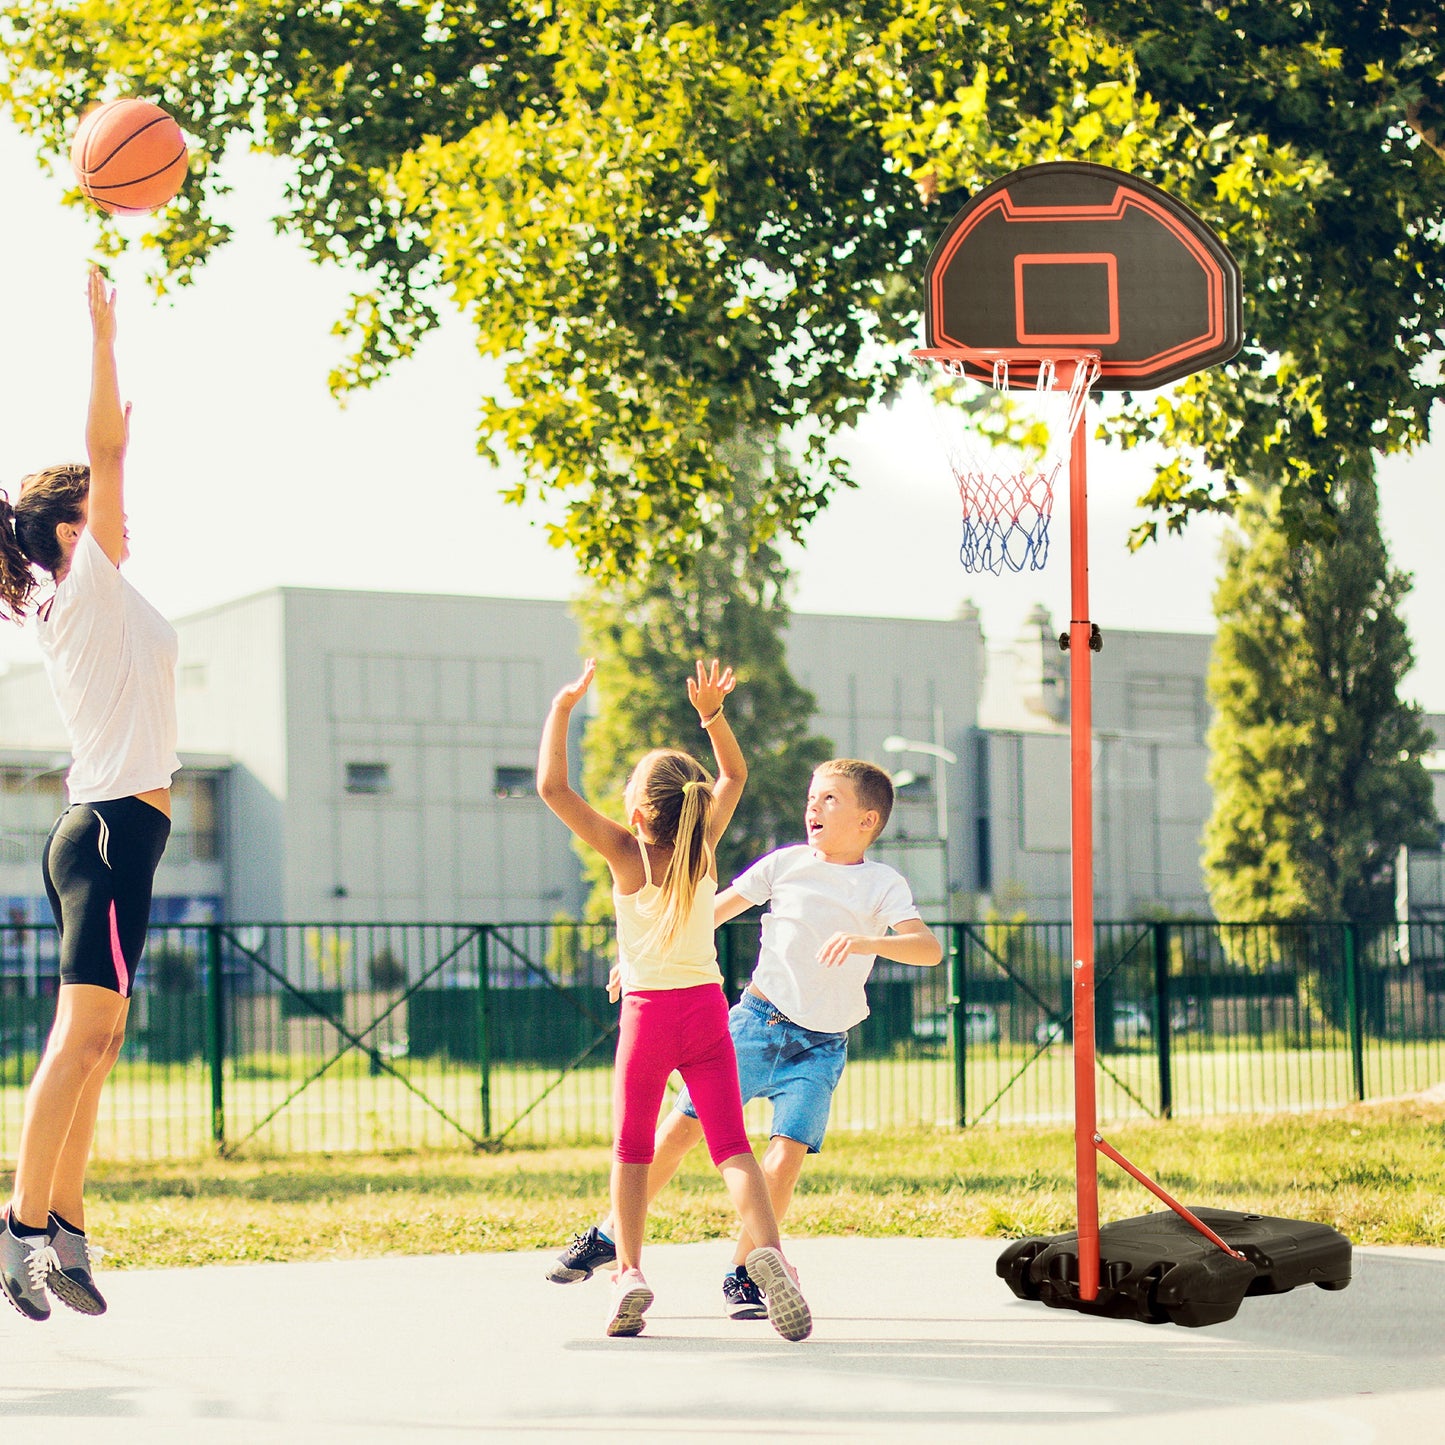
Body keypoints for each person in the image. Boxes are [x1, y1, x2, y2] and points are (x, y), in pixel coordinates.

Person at [547, 758, 941, 1319]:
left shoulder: (882, 884)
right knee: (682, 1133)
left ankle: (746, 1270)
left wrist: (868, 942)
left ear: (868, 820)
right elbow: (705, 911)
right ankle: (611, 1232)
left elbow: (928, 949)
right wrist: (639, 956)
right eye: (811, 797)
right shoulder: (785, 865)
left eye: (830, 799)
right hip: (757, 1022)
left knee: (785, 1155)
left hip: (822, 1044)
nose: (813, 807)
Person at [0, 269, 179, 1322]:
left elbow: (103, 464)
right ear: (72, 527)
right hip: (108, 832)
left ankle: (62, 1221)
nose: (121, 512)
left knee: (101, 1038)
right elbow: (103, 451)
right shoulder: (91, 579)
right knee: (79, 1037)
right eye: (103, 507)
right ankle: (20, 1225)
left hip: (123, 833)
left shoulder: (86, 597)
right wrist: (102, 331)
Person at [537, 658, 810, 1341]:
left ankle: (628, 1271)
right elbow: (735, 776)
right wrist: (712, 715)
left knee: (632, 1151)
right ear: (689, 805)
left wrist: (563, 707)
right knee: (733, 1150)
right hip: (706, 1013)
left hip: (649, 1017)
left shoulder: (625, 852)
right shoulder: (703, 848)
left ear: (636, 811)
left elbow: (550, 785)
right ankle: (768, 1254)